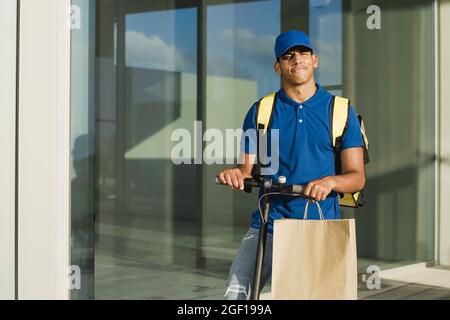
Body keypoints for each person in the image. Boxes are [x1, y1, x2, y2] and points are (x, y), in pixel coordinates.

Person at [216, 30, 366, 300]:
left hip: (319, 226)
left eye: (303, 53)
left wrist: (331, 181)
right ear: (278, 67)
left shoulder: (342, 111)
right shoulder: (261, 111)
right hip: (269, 224)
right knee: (235, 297)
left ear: (315, 60)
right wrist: (235, 174)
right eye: (288, 55)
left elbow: (356, 177)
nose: (297, 59)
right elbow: (245, 169)